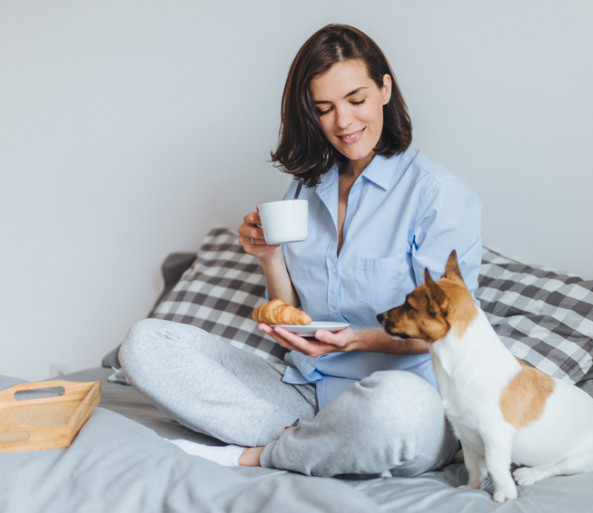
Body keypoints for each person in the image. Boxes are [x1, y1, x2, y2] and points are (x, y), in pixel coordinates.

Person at [119, 23, 482, 477]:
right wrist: (270, 256)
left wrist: (357, 338)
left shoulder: (439, 196)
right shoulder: (307, 188)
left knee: (395, 411)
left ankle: (261, 453)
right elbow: (292, 312)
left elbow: (442, 330)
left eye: (356, 99)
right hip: (307, 392)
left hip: (411, 397)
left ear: (385, 89)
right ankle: (319, 441)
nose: (344, 123)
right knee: (146, 344)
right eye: (324, 108)